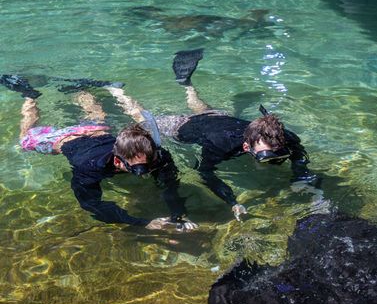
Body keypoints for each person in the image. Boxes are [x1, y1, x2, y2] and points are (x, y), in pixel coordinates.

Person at [108, 50, 317, 221]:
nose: (274, 161)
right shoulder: (220, 146)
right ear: (246, 148)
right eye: (265, 157)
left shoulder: (284, 136)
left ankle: (186, 84)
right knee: (140, 121)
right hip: (183, 128)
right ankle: (117, 91)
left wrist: (300, 175)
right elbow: (206, 172)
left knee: (203, 108)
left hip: (219, 118)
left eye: (278, 154)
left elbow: (298, 153)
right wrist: (232, 201)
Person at [1, 75, 198, 232]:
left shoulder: (156, 156)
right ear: (118, 161)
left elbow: (170, 184)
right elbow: (91, 204)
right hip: (65, 140)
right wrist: (143, 223)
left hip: (96, 133)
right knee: (24, 138)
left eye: (148, 164)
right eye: (138, 169)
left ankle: (79, 87)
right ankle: (29, 95)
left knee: (97, 120)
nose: (146, 171)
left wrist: (177, 213)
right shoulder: (88, 168)